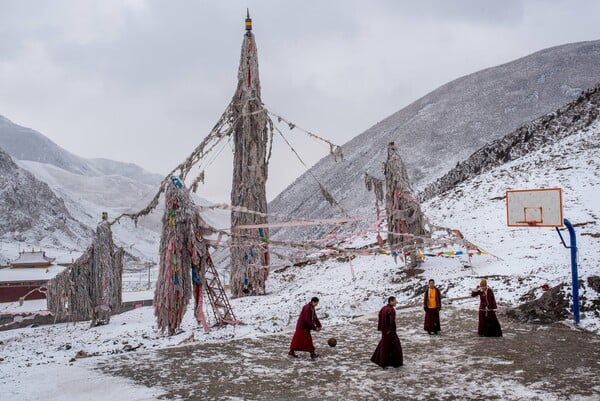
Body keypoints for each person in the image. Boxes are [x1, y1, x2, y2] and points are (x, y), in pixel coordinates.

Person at [371, 296, 403, 368]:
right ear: (391, 301)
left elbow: (379, 315)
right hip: (390, 332)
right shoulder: (391, 310)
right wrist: (391, 330)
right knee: (394, 347)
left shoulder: (383, 308)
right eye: (395, 301)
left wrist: (381, 327)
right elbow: (392, 322)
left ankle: (381, 361)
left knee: (383, 346)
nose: (396, 302)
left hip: (384, 331)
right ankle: (392, 363)